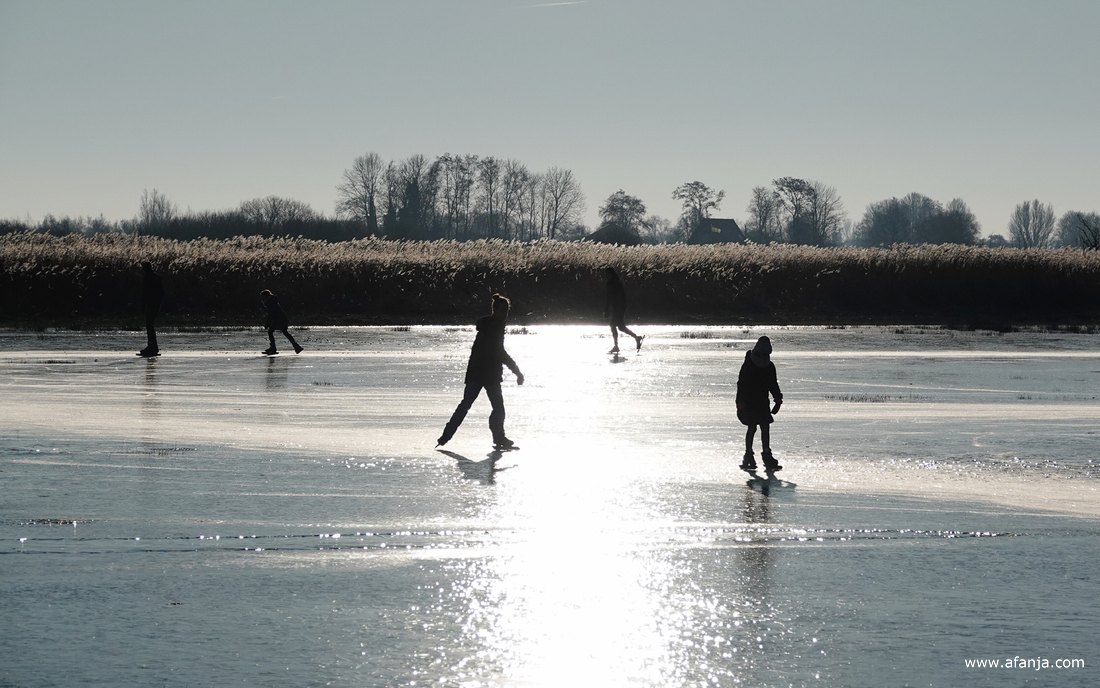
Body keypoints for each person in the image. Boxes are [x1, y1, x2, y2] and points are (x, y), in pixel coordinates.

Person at [437, 294, 525, 450]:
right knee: (477, 406)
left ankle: (497, 438)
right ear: (495, 311)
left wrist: (515, 371)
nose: (505, 314)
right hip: (483, 374)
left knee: (493, 407)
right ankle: (447, 436)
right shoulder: (493, 328)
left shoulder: (492, 326)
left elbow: (498, 352)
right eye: (503, 310)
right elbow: (500, 352)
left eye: (507, 311)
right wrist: (517, 371)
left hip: (483, 373)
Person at [736, 336, 783, 472]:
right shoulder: (748, 365)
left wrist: (778, 398)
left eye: (767, 354)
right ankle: (748, 455)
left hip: (762, 401)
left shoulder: (769, 366)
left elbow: (772, 384)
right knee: (752, 427)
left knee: (765, 427)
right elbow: (742, 385)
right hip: (750, 401)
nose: (765, 356)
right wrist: (740, 402)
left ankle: (766, 455)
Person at [603, 267, 643, 354]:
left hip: (618, 307)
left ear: (611, 274)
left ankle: (617, 346)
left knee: (614, 325)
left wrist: (607, 309)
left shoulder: (612, 283)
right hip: (619, 307)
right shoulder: (617, 282)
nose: (607, 276)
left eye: (608, 274)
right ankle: (636, 338)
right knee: (620, 327)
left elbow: (609, 298)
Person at [260, 289, 303, 355]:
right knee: (284, 332)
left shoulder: (270, 302)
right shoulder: (272, 301)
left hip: (279, 319)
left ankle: (273, 348)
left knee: (271, 331)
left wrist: (267, 323)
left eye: (263, 297)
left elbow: (271, 314)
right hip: (280, 319)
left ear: (266, 296)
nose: (262, 298)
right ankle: (296, 347)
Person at [137, 262, 163, 357]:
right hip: (156, 304)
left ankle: (152, 347)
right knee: (150, 325)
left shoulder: (148, 278)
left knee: (149, 325)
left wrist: (143, 305)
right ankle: (153, 347)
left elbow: (145, 293)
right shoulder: (156, 277)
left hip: (151, 304)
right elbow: (161, 292)